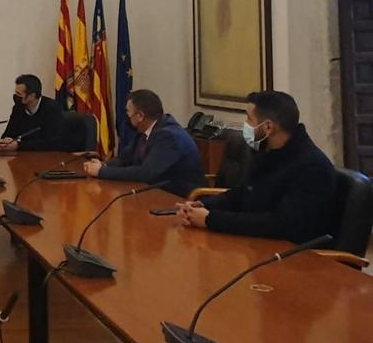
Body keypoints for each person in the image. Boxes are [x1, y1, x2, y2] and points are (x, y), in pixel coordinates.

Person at [177, 91, 339, 243]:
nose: (245, 125)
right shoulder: (269, 152)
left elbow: (280, 224)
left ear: (268, 127)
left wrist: (210, 219)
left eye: (249, 119)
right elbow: (242, 193)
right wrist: (203, 206)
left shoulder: (312, 167)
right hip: (259, 244)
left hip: (295, 258)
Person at [84, 89, 205, 196]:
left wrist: (101, 172)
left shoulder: (169, 136)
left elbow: (145, 173)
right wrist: (104, 165)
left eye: (128, 113)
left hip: (180, 198)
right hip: (154, 193)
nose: (126, 117)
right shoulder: (145, 130)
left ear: (140, 116)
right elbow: (124, 159)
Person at [0, 74, 66, 152]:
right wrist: (5, 142)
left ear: (31, 96)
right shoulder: (18, 108)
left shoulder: (52, 109)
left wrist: (19, 145)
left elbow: (52, 143)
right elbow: (8, 133)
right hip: (22, 158)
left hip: (47, 157)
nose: (15, 96)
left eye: (19, 94)